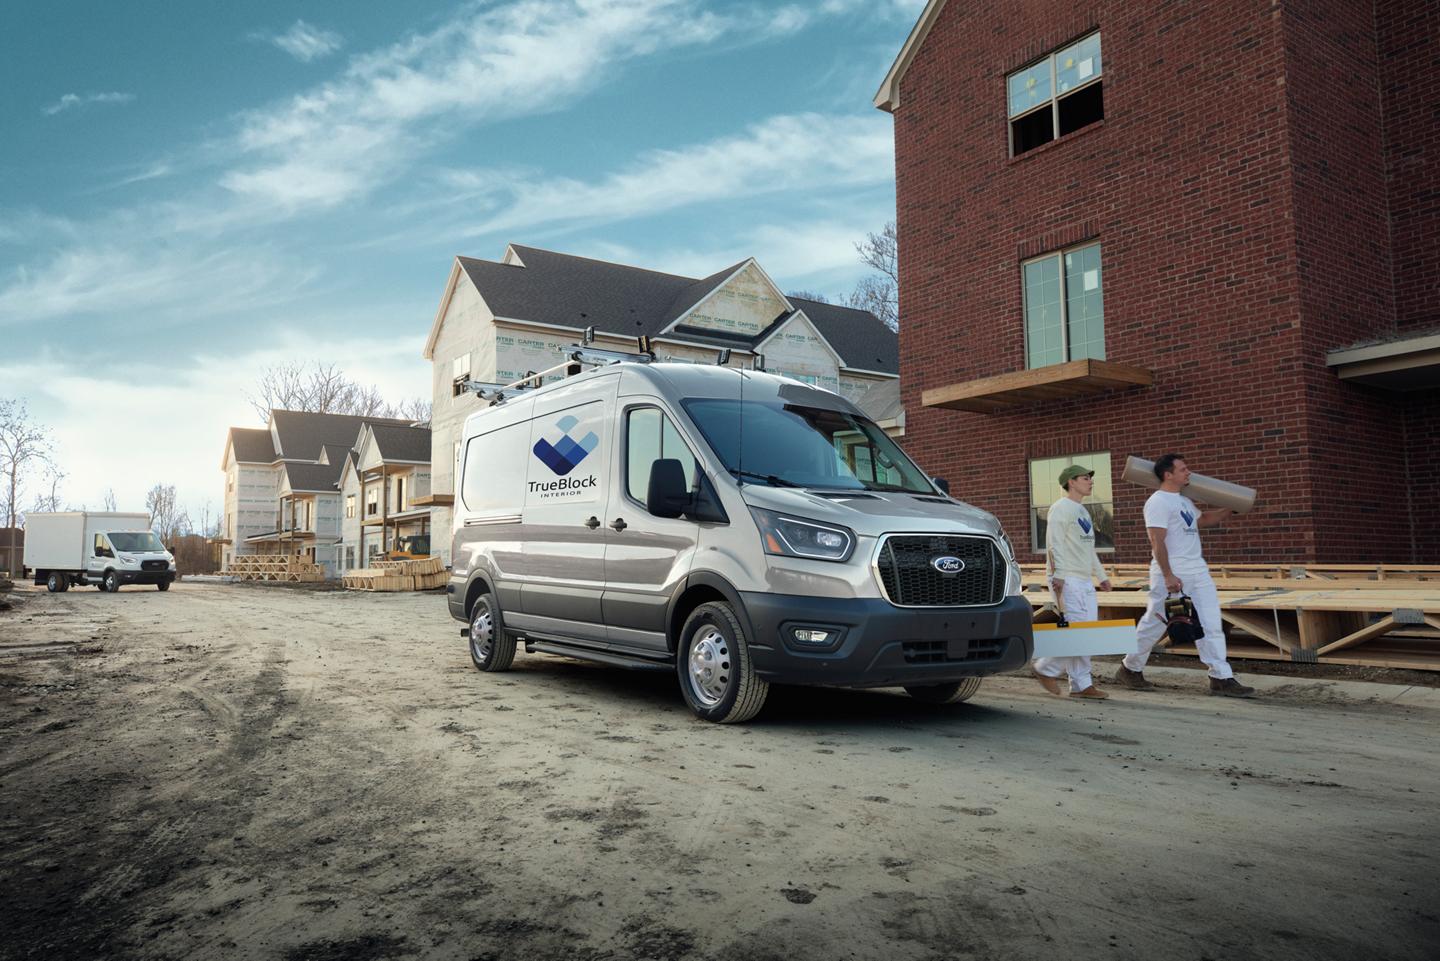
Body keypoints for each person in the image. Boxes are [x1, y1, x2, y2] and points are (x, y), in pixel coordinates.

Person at [1115, 453, 1256, 697]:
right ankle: (1130, 668)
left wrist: (1231, 508)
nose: (1188, 472)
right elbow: (1156, 541)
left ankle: (1220, 676)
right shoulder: (1158, 502)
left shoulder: (1183, 501)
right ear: (1168, 475)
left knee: (1211, 623)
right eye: (1183, 469)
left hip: (1197, 570)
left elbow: (1204, 520)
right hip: (1172, 572)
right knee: (1155, 622)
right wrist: (1168, 575)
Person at [1033, 464, 1113, 699]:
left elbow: (1089, 549)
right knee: (1077, 631)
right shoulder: (1060, 508)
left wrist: (1102, 576)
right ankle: (1045, 668)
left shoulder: (1083, 511)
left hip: (1083, 578)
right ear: (1071, 482)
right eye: (1085, 478)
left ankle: (1080, 686)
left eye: (1090, 478)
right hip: (1066, 578)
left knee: (1086, 632)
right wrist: (1058, 575)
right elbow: (1053, 543)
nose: (1090, 481)